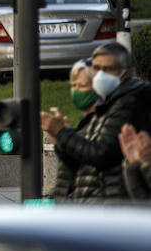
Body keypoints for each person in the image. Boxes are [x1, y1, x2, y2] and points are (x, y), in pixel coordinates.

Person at [41, 43, 151, 200]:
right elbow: (78, 162)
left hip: (109, 203)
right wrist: (60, 141)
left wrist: (61, 133)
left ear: (124, 73)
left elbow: (101, 152)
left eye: (107, 69)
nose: (99, 75)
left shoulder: (128, 104)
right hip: (91, 203)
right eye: (96, 68)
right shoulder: (108, 105)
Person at [48, 60, 104, 199]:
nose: (76, 91)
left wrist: (63, 135)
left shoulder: (102, 122)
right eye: (73, 86)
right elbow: (67, 173)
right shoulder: (84, 122)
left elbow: (89, 158)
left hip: (90, 206)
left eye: (82, 86)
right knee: (30, 207)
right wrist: (60, 142)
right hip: (74, 203)